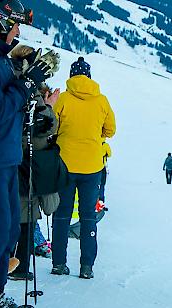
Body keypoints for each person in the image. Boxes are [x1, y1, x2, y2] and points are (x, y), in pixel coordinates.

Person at [0, 0, 55, 308]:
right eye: (13, 26)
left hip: (5, 155)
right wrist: (27, 84)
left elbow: (10, 101)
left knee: (10, 228)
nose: (17, 33)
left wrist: (28, 79)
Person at [51, 56, 116, 279]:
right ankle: (86, 267)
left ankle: (58, 263)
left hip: (65, 164)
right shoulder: (102, 100)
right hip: (92, 166)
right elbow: (111, 130)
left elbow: (52, 127)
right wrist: (95, 136)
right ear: (88, 76)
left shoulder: (63, 99)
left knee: (62, 214)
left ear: (71, 75)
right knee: (88, 215)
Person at [8, 45, 61, 281]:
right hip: (28, 160)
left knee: (8, 217)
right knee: (26, 218)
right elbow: (46, 125)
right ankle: (17, 267)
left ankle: (5, 264)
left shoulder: (7, 80)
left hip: (8, 158)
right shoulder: (29, 89)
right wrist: (49, 106)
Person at [98, 139, 111, 206]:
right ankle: (101, 203)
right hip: (102, 167)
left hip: (92, 168)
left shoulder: (93, 143)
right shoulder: (105, 145)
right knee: (102, 185)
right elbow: (109, 154)